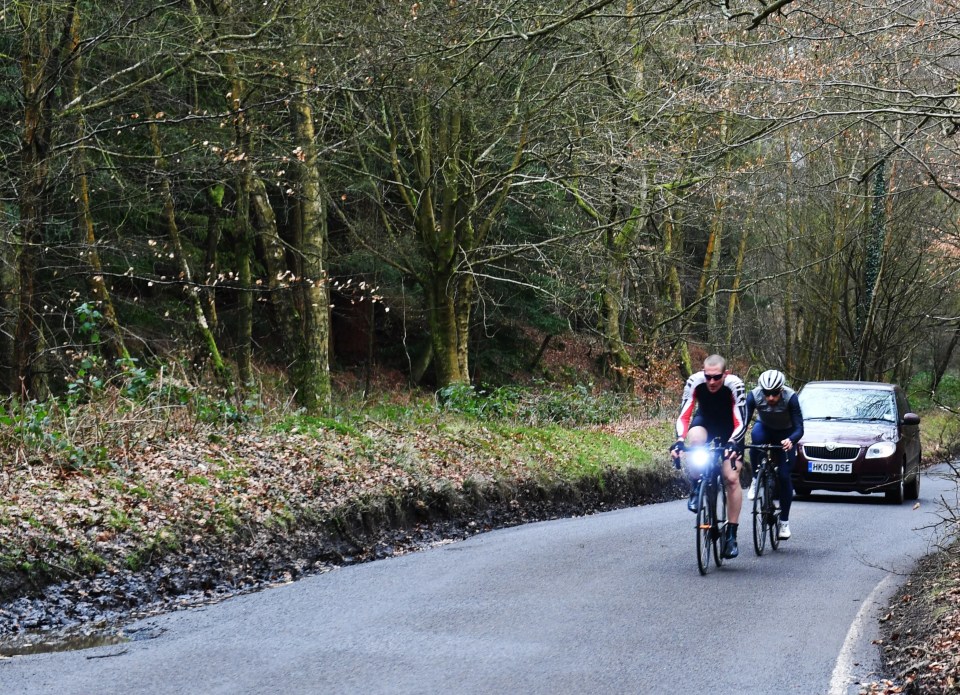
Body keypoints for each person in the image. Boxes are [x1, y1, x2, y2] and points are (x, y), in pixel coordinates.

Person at [669, 354, 747, 559]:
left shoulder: (735, 385)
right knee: (694, 443)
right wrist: (679, 440)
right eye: (708, 376)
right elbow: (684, 415)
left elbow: (741, 421)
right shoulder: (695, 382)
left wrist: (733, 442)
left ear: (725, 374)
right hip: (706, 422)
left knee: (731, 478)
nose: (711, 382)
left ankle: (731, 535)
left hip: (732, 428)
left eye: (716, 377)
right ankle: (697, 487)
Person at [744, 369, 804, 540]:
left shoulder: (791, 398)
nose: (770, 398)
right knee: (755, 439)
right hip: (765, 427)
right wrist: (735, 440)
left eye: (775, 394)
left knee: (784, 476)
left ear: (781, 390)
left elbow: (800, 427)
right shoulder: (754, 395)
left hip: (786, 433)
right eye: (767, 394)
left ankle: (784, 522)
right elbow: (743, 421)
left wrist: (791, 440)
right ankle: (756, 478)